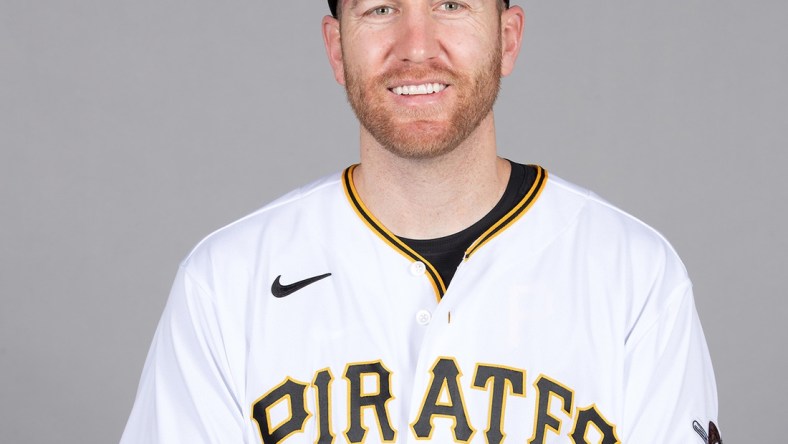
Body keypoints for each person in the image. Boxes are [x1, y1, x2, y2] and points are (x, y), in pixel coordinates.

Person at [121, 0, 721, 443]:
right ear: (336, 48)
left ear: (507, 38)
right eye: (380, 9)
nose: (416, 45)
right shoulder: (225, 283)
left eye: (451, 5)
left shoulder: (636, 276)